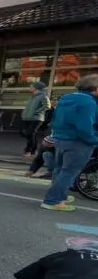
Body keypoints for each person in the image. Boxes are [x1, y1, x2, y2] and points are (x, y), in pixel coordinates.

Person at [42, 74, 98, 212]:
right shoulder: (89, 102)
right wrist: (94, 140)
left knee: (60, 170)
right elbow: (84, 127)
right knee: (69, 172)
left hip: (61, 139)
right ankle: (53, 200)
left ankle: (61, 196)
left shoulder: (66, 98)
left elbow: (56, 120)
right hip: (78, 142)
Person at [21, 81, 51, 157]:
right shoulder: (32, 96)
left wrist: (36, 112)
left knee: (29, 133)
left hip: (36, 118)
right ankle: (33, 150)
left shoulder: (43, 96)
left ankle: (29, 150)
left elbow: (47, 106)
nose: (30, 88)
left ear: (36, 88)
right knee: (30, 134)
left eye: (32, 86)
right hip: (27, 117)